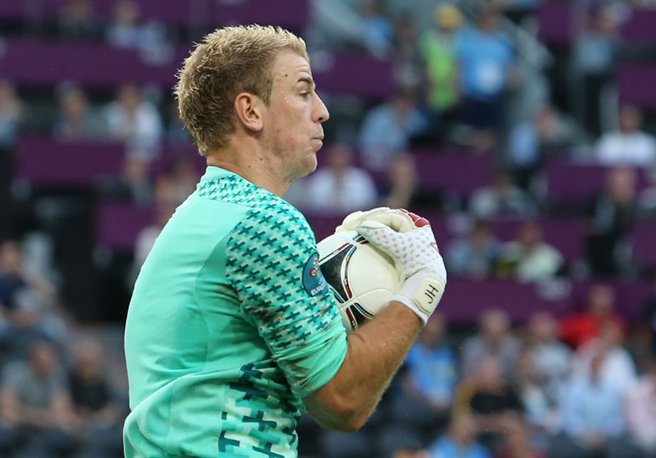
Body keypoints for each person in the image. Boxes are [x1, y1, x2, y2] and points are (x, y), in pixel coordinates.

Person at [123, 25, 447, 457]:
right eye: (303, 92)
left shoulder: (203, 216)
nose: (322, 111)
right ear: (251, 111)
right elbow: (342, 402)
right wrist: (422, 286)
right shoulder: (263, 221)